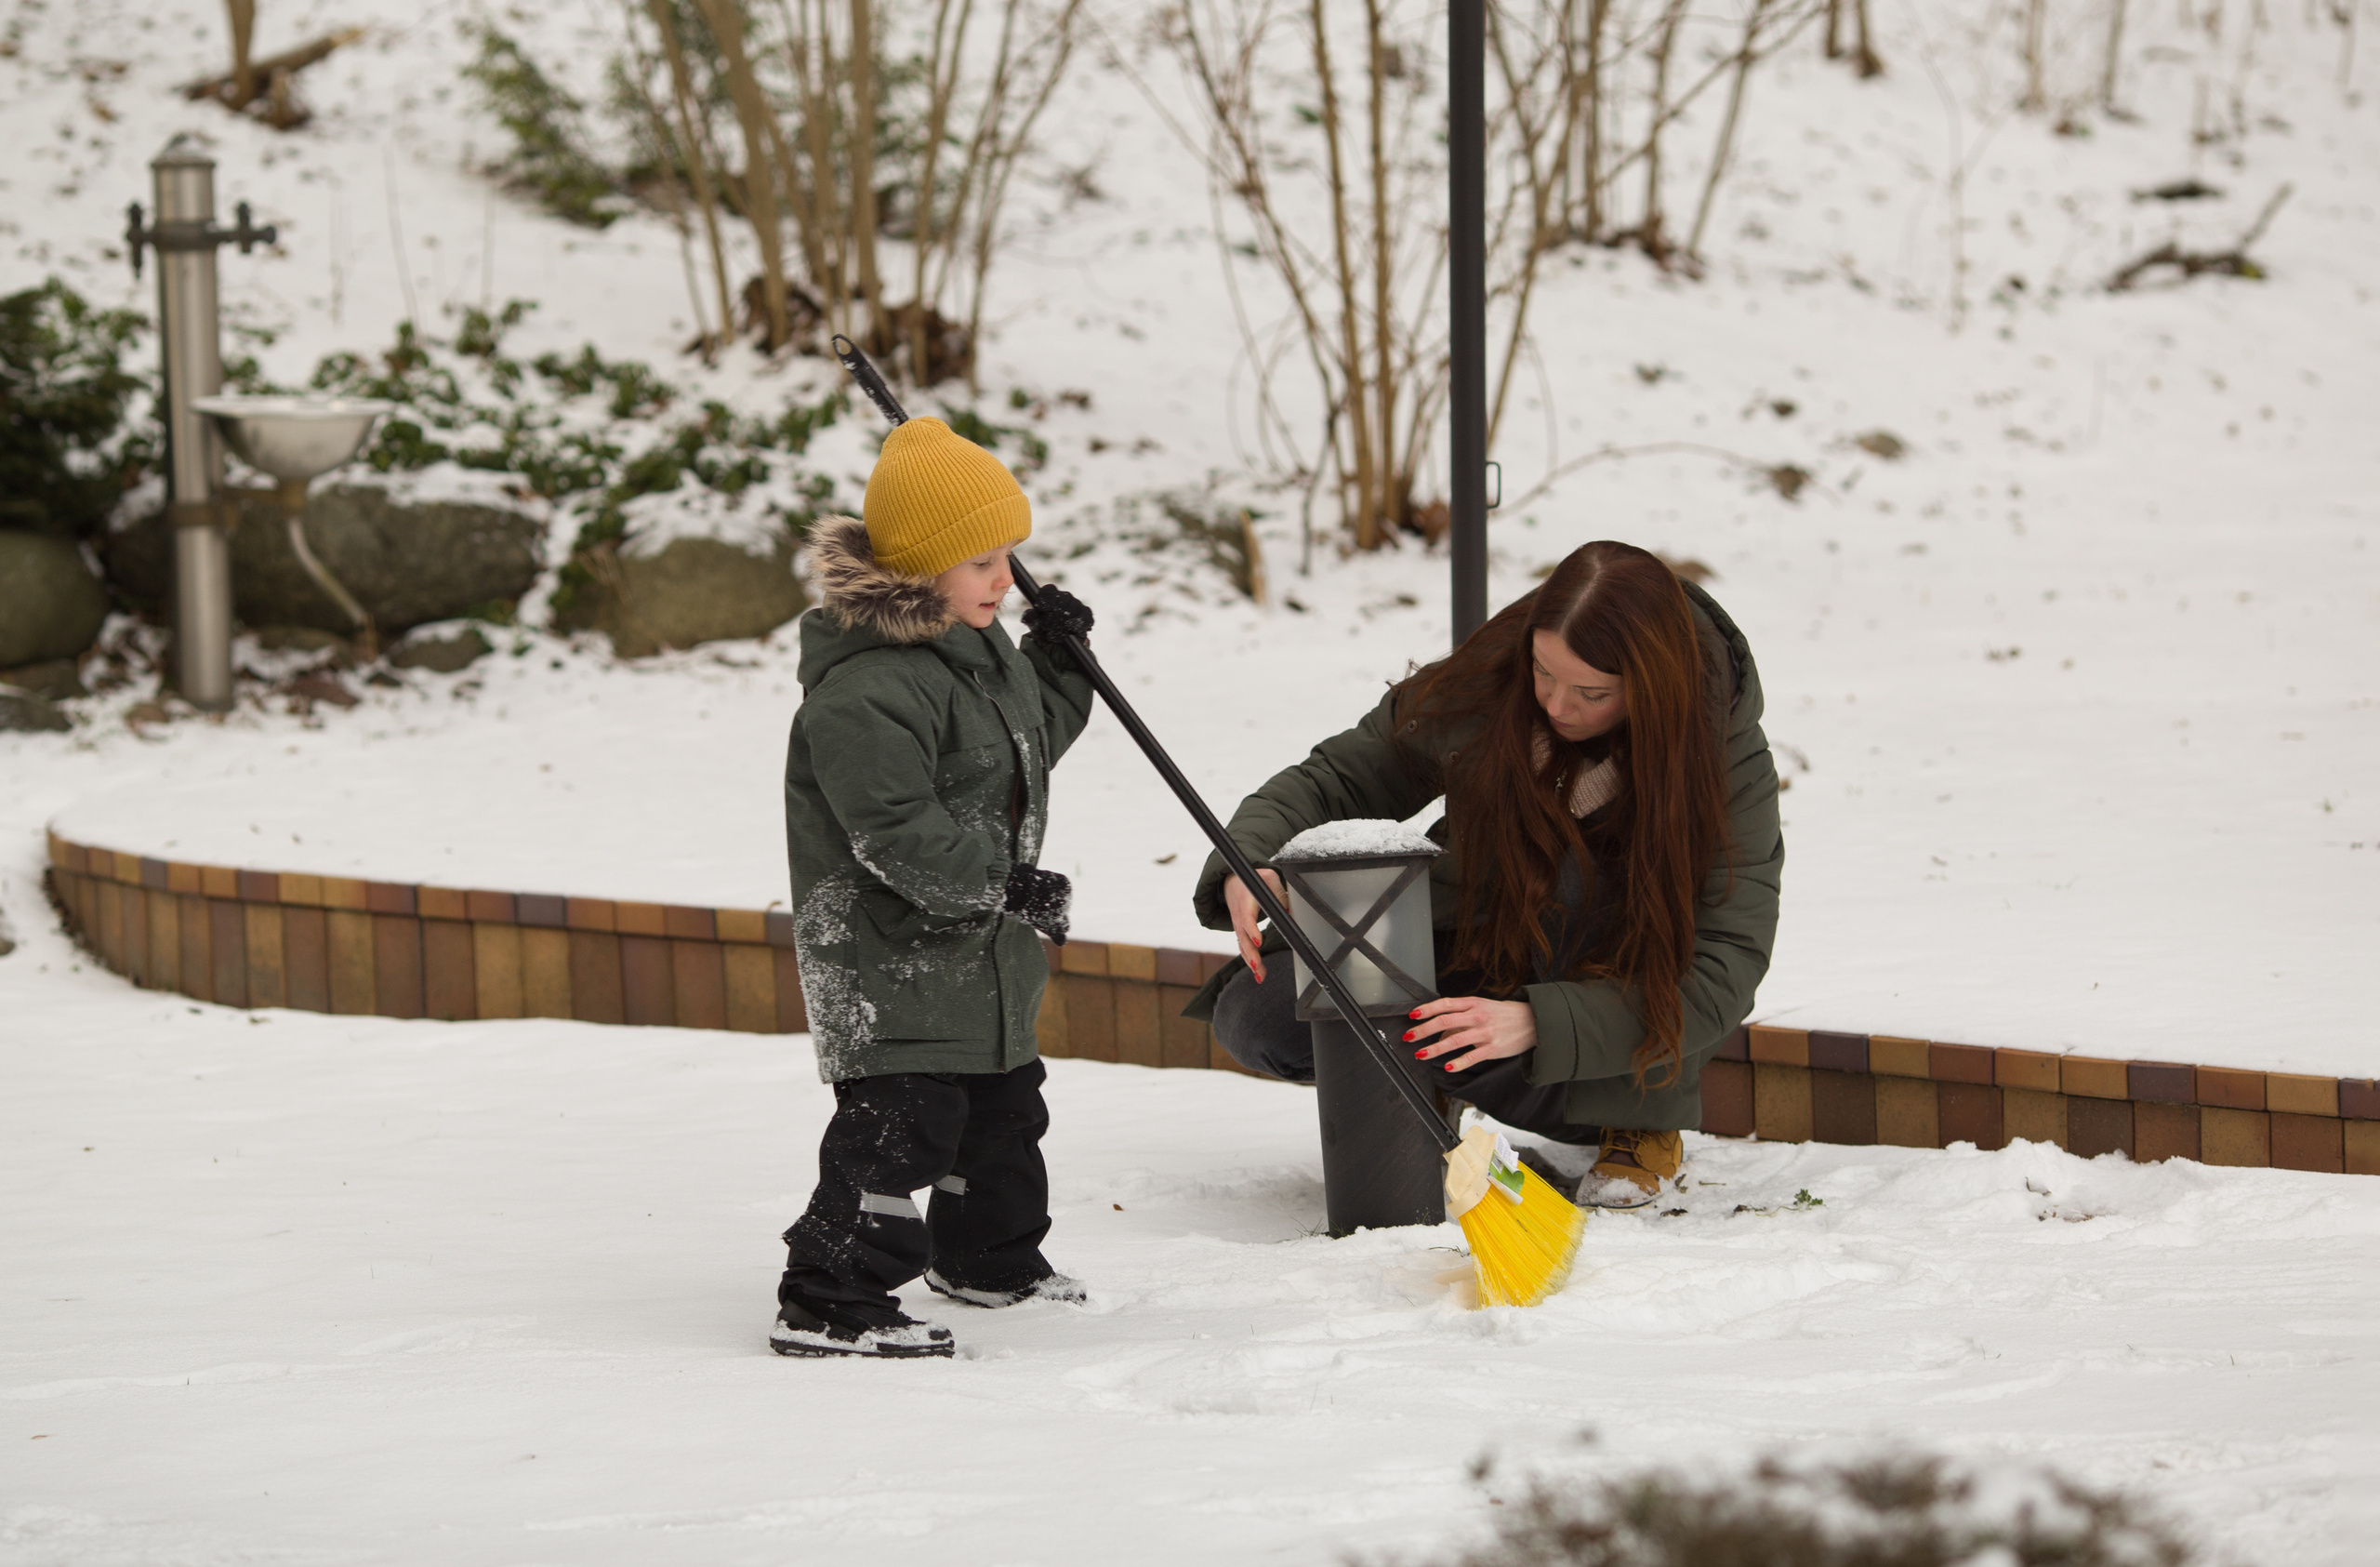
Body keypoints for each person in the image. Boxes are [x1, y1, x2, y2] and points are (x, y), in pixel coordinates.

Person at [1184, 540, 1782, 1208]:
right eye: (1544, 672)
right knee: (1260, 1015)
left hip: (1604, 1014)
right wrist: (1253, 858)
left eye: (1592, 692)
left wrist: (1538, 1020)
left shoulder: (1723, 762)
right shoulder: (1492, 680)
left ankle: (1636, 1122)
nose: (1557, 704)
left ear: (1654, 687)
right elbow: (1345, 774)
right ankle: (1429, 1076)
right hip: (1477, 952)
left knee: (1575, 877)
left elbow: (1724, 966)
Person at [774, 416, 1096, 1359]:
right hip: (889, 959)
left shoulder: (976, 654)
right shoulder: (865, 692)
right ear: (918, 570)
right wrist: (1006, 884)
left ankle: (988, 1259)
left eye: (1009, 557)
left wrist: (1060, 667)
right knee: (898, 1132)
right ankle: (828, 1290)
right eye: (983, 561)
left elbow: (1020, 755)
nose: (1004, 578)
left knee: (1002, 1111)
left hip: (973, 952)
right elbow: (894, 835)